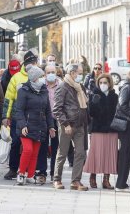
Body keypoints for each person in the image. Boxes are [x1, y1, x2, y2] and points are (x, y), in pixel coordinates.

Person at [14, 65, 56, 185]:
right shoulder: (23, 90)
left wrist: (51, 126)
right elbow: (19, 110)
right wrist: (23, 125)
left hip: (40, 126)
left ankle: (31, 175)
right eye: (40, 76)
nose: (43, 79)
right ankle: (21, 173)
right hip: (26, 126)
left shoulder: (44, 90)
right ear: (34, 78)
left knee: (35, 152)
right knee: (28, 150)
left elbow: (48, 111)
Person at [2, 50, 39, 180]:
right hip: (18, 116)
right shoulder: (16, 78)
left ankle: (29, 170)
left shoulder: (38, 76)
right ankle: (13, 168)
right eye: (32, 63)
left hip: (34, 118)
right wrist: (5, 117)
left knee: (32, 145)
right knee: (16, 142)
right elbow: (8, 98)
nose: (34, 65)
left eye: (35, 63)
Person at [52, 63, 89, 191]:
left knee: (80, 153)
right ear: (72, 73)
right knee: (62, 153)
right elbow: (57, 109)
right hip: (67, 126)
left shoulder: (80, 87)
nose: (81, 75)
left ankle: (76, 181)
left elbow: (84, 105)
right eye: (80, 72)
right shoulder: (63, 86)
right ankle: (57, 179)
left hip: (79, 125)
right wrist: (65, 124)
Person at [83, 73, 118, 189]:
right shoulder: (95, 94)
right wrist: (94, 103)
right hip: (97, 129)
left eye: (105, 83)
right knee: (96, 154)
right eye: (101, 83)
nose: (103, 85)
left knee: (109, 154)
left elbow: (117, 113)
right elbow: (91, 113)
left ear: (109, 84)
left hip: (111, 130)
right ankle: (93, 177)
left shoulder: (114, 96)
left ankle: (106, 180)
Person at [34, 64, 61, 183]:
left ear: (56, 72)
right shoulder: (40, 85)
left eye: (53, 72)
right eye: (48, 72)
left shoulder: (61, 85)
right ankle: (42, 172)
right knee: (42, 147)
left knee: (56, 147)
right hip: (43, 120)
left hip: (58, 120)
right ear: (45, 74)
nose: (51, 74)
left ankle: (54, 173)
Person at [115, 67, 130, 192]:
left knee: (127, 153)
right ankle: (121, 184)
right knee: (125, 154)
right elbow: (122, 105)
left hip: (129, 124)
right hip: (126, 125)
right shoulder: (127, 87)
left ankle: (122, 183)